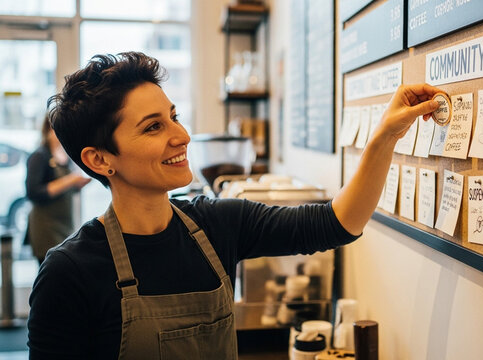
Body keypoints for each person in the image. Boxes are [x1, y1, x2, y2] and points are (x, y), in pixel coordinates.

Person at [27, 52, 442, 359]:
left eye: (173, 116)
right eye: (154, 127)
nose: (182, 135)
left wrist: (385, 136)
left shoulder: (217, 223)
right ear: (100, 159)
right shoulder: (70, 271)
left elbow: (336, 223)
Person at [25, 116, 91, 264]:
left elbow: (65, 190)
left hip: (65, 225)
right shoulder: (39, 156)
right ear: (49, 130)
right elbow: (33, 192)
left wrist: (77, 185)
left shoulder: (65, 157)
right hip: (46, 228)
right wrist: (70, 180)